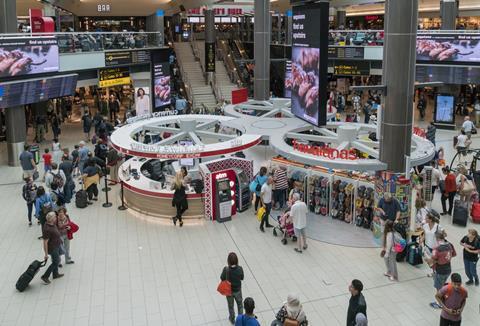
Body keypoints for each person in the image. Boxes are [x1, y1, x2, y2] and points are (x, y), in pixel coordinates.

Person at [428, 230, 457, 309]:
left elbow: (432, 260)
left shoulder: (436, 249)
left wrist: (427, 258)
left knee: (439, 288)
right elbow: (454, 254)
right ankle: (444, 298)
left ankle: (439, 303)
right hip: (448, 269)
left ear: (436, 238)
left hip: (440, 270)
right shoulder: (450, 245)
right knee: (442, 285)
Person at [221, 252, 245, 324]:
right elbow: (242, 278)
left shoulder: (226, 269)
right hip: (238, 291)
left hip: (229, 292)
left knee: (231, 306)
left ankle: (232, 319)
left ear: (228, 261)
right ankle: (240, 320)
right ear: (237, 260)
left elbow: (222, 278)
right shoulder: (240, 268)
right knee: (240, 305)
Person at [41, 212, 64, 284]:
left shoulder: (51, 224)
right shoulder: (47, 229)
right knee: (55, 262)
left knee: (56, 260)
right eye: (55, 217)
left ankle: (55, 274)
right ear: (51, 219)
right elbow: (45, 242)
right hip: (53, 248)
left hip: (56, 245)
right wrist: (46, 254)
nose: (56, 217)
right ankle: (45, 276)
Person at [422, 212, 443, 277]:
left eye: (426, 218)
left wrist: (443, 233)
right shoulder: (425, 226)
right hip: (427, 246)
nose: (425, 219)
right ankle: (435, 271)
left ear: (430, 220)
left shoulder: (438, 226)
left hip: (435, 247)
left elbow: (442, 236)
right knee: (429, 261)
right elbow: (424, 234)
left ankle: (435, 272)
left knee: (434, 261)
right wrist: (421, 240)